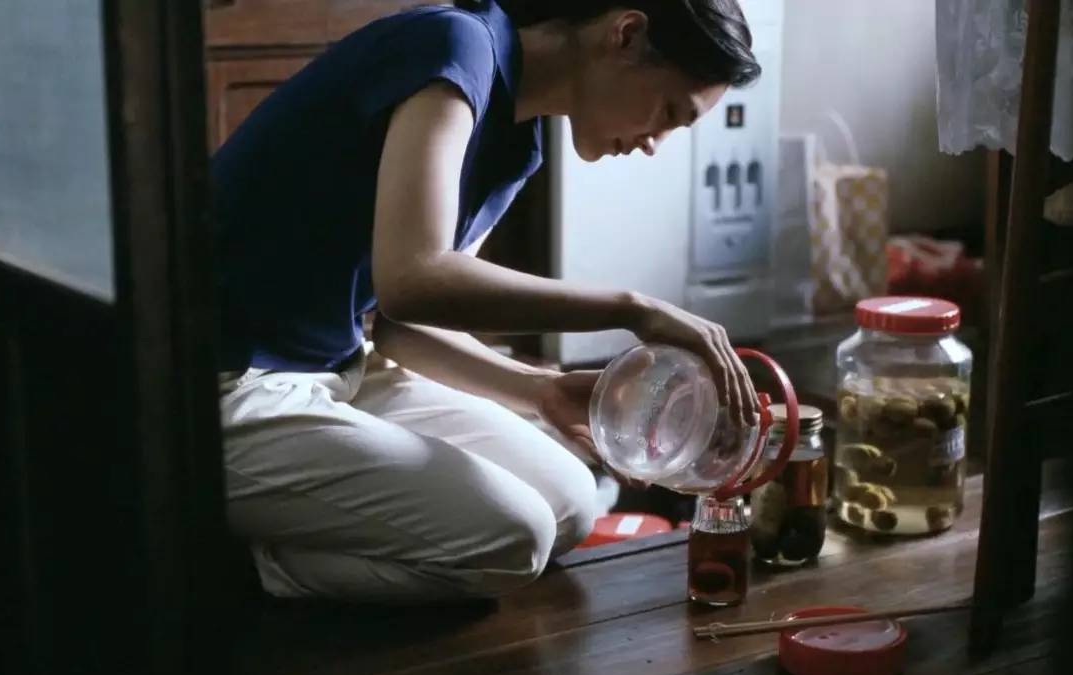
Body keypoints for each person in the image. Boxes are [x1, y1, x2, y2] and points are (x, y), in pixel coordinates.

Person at [212, 0, 763, 603]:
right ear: (625, 34)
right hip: (226, 383)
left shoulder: (517, 143)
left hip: (336, 365)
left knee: (570, 506)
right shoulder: (454, 48)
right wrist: (633, 308)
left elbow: (401, 323)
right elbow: (413, 278)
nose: (655, 142)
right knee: (515, 540)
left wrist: (538, 387)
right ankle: (233, 567)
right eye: (669, 112)